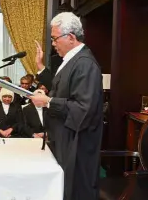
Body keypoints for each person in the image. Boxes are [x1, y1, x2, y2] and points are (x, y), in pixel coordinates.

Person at [30, 12, 103, 200]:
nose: (53, 44)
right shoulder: (72, 59)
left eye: (55, 39)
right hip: (64, 139)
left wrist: (48, 102)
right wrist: (40, 67)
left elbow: (83, 109)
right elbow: (60, 86)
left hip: (77, 145)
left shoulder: (85, 64)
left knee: (76, 191)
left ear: (70, 37)